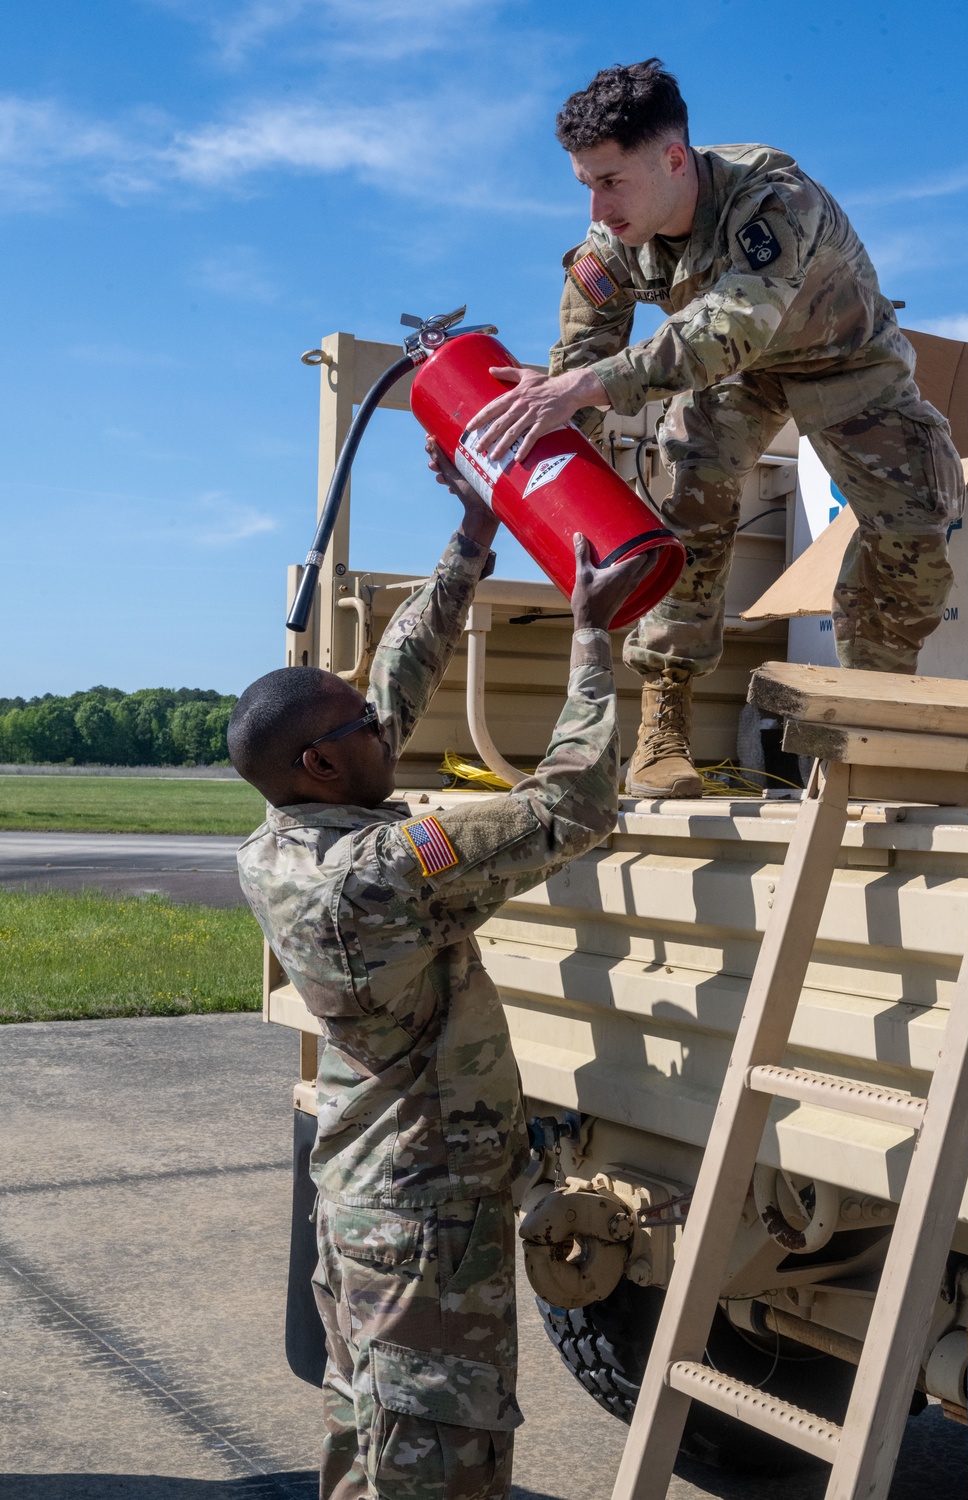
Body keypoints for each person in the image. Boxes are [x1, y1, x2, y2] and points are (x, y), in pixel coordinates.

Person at [228, 437, 653, 1500]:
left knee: (371, 1433)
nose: (386, 727)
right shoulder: (377, 875)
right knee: (434, 1466)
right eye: (362, 727)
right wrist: (593, 637)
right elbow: (573, 806)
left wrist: (472, 536)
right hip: (423, 1223)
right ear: (321, 763)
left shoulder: (282, 837)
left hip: (371, 1201)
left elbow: (389, 692)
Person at [472, 59, 964, 799]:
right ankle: (662, 724)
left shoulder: (773, 201)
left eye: (613, 182)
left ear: (674, 159)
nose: (599, 209)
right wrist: (554, 406)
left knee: (913, 525)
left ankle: (873, 720)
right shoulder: (610, 247)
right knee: (687, 469)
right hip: (733, 374)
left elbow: (731, 324)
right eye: (587, 186)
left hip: (843, 359)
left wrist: (589, 385)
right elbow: (581, 363)